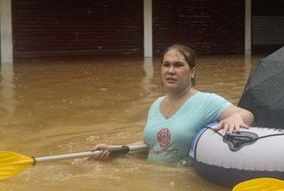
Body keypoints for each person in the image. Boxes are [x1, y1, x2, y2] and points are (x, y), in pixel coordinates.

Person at [93, 44, 254, 164]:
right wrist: (114, 150)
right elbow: (151, 145)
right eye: (166, 65)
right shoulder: (156, 104)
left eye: (178, 65)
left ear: (192, 72)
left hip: (183, 185)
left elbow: (247, 115)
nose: (170, 71)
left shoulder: (207, 101)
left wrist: (235, 118)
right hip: (151, 183)